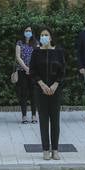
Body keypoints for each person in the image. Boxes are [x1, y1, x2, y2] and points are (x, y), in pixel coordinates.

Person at [29, 26, 65, 161]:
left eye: (46, 35)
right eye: (42, 35)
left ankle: (55, 149)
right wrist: (42, 84)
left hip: (55, 91)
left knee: (55, 121)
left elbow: (63, 71)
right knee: (43, 121)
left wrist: (56, 84)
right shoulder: (36, 52)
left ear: (50, 37)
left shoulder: (59, 52)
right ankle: (45, 149)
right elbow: (32, 71)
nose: (44, 37)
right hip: (41, 91)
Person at [15, 25, 38, 124]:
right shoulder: (19, 43)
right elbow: (17, 57)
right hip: (22, 71)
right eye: (26, 30)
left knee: (33, 94)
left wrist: (31, 69)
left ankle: (34, 115)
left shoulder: (36, 43)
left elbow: (38, 56)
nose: (28, 32)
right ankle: (24, 116)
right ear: (23, 32)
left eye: (30, 30)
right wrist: (25, 68)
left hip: (33, 72)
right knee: (23, 94)